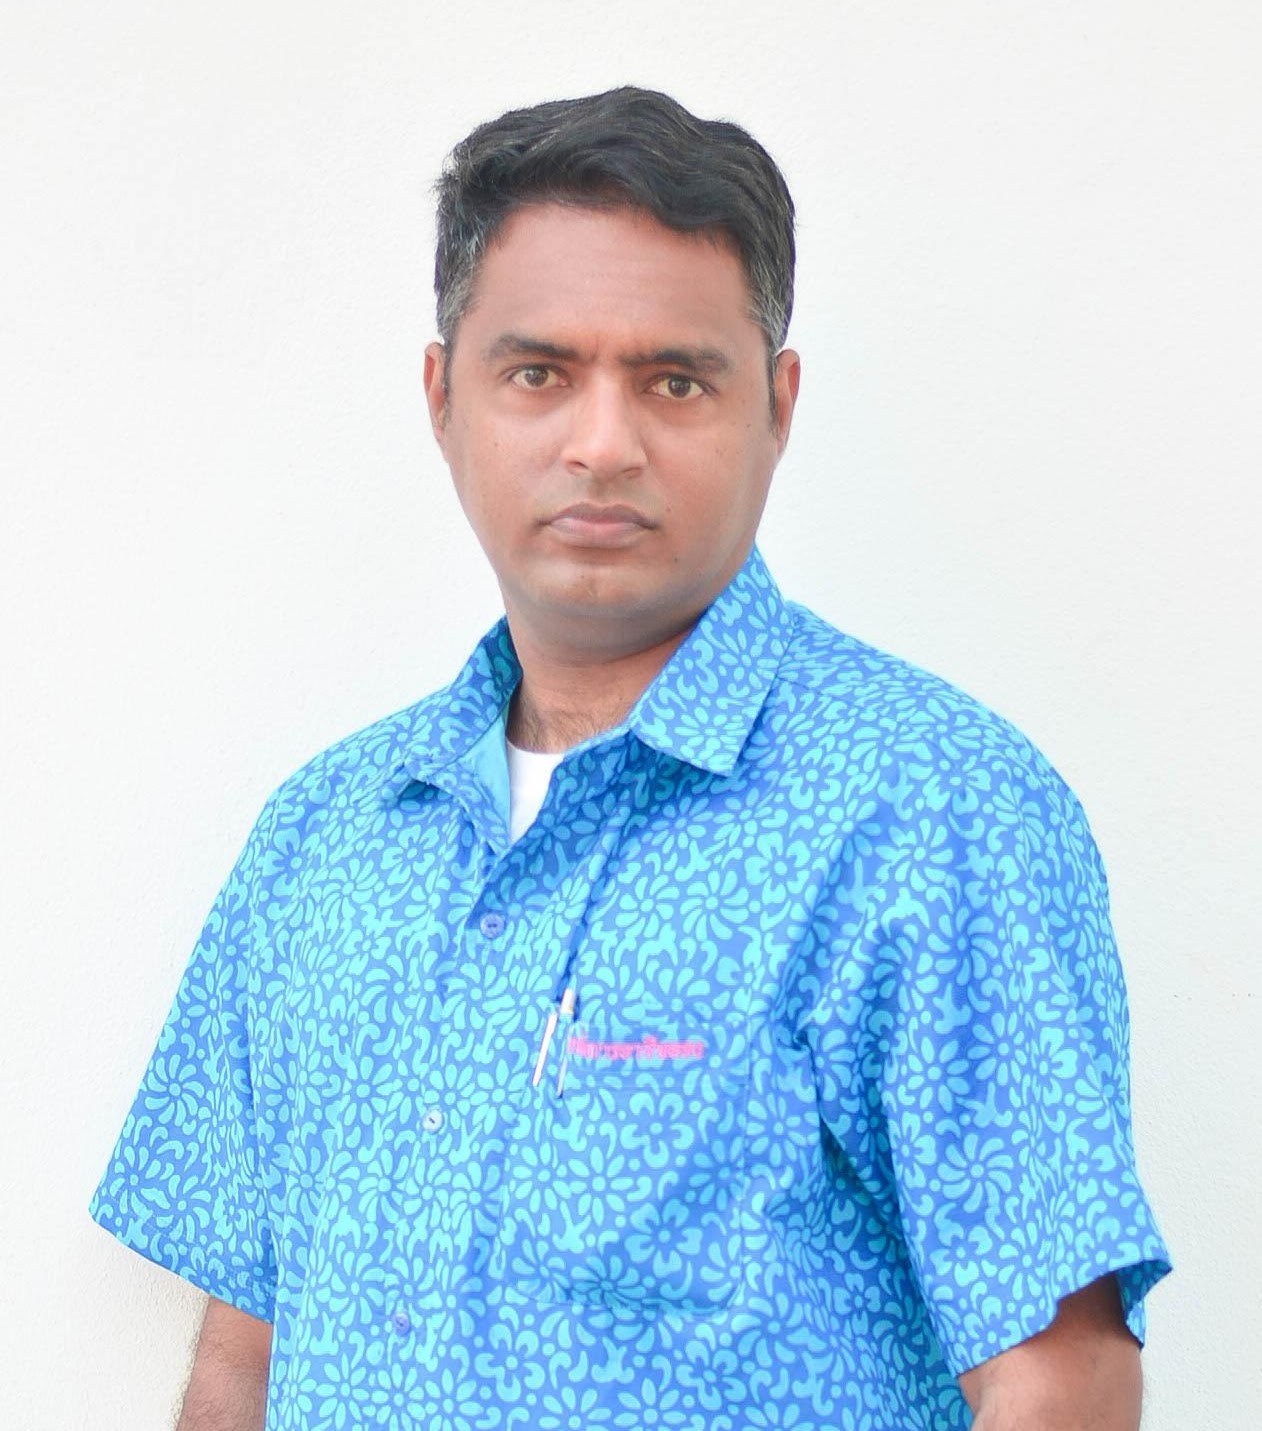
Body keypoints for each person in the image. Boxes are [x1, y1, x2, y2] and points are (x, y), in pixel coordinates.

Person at [91, 86, 1171, 1431]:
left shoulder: (931, 811)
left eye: (674, 380)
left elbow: (1056, 1375)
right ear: (443, 398)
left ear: (776, 407)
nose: (601, 444)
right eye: (538, 373)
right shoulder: (325, 834)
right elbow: (246, 1356)